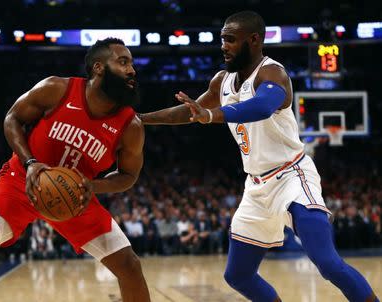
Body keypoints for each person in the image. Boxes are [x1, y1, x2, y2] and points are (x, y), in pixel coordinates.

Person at [139, 11, 379, 302]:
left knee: (327, 264)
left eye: (230, 39)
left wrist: (211, 115)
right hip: (256, 186)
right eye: (222, 39)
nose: (223, 46)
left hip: (292, 175)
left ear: (253, 40)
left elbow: (262, 107)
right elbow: (188, 113)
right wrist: (140, 119)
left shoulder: (272, 73)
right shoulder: (221, 81)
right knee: (237, 275)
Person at [0, 38, 151, 302]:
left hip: (74, 197)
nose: (132, 70)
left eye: (131, 63)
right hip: (20, 182)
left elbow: (129, 176)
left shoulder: (131, 126)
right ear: (99, 67)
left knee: (130, 266)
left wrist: (93, 186)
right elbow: (12, 118)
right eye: (123, 61)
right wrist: (30, 162)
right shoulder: (57, 89)